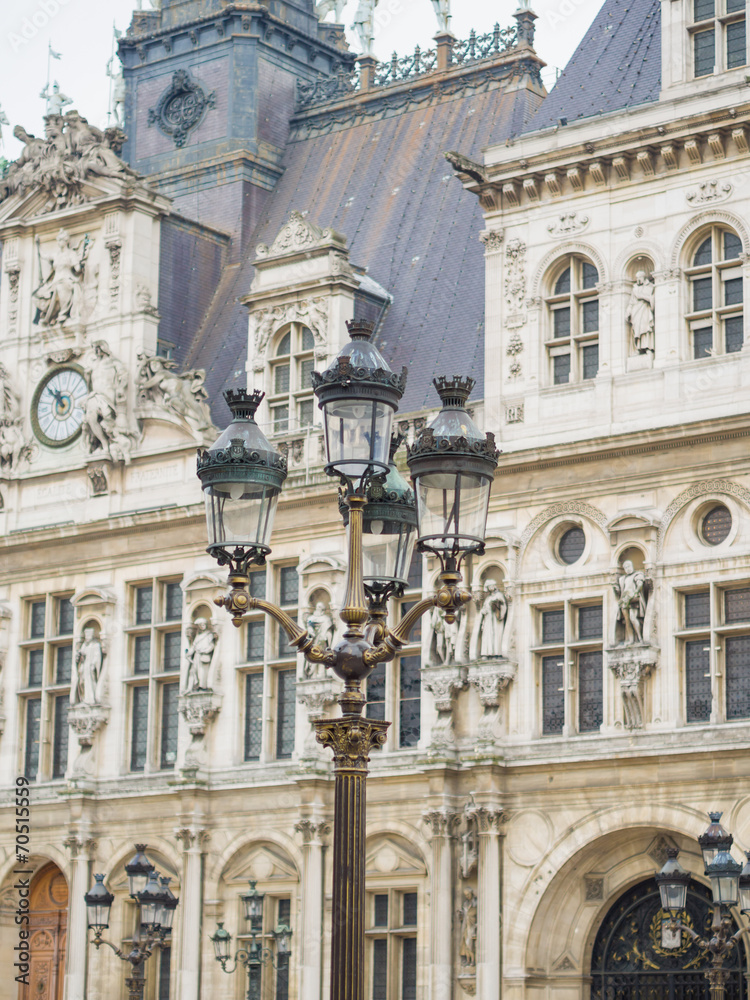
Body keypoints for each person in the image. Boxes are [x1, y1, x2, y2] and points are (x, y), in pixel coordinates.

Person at [470, 580, 508, 660]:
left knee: (495, 635)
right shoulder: (488, 598)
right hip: (488, 619)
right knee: (487, 636)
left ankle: (496, 653)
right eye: (488, 587)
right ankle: (486, 653)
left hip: (496, 620)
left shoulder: (499, 595)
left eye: (490, 586)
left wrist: (497, 606)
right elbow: (484, 609)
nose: (489, 588)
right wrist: (484, 611)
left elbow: (503, 606)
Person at [613, 559, 648, 644]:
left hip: (633, 599)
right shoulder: (622, 578)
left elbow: (640, 584)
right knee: (627, 621)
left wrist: (636, 592)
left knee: (633, 618)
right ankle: (631, 639)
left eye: (628, 566)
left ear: (632, 566)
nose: (627, 568)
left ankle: (640, 638)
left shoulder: (637, 574)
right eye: (625, 567)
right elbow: (622, 590)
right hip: (624, 600)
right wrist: (617, 590)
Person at [71, 626, 103, 705]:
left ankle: (90, 699)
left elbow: (97, 656)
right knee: (81, 682)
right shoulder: (84, 645)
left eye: (88, 635)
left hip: (89, 667)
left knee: (90, 683)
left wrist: (93, 664)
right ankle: (83, 698)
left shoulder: (95, 645)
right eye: (86, 635)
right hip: (83, 667)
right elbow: (80, 654)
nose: (87, 637)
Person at [184, 618, 218, 691]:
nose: (202, 626)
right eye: (200, 625)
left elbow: (212, 645)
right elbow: (194, 646)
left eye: (203, 624)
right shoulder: (198, 636)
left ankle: (203, 686)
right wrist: (189, 654)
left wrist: (205, 651)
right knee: (195, 671)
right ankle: (196, 685)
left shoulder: (209, 634)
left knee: (202, 671)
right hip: (197, 656)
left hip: (204, 655)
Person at [626, 271, 655, 354]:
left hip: (645, 309)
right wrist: (628, 311)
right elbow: (631, 302)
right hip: (636, 311)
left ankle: (648, 347)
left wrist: (641, 296)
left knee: (646, 328)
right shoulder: (634, 289)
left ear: (644, 277)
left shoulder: (650, 286)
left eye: (640, 277)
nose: (638, 279)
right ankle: (638, 347)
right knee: (637, 329)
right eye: (637, 278)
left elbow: (651, 299)